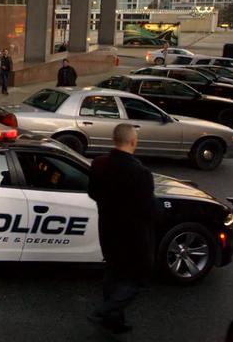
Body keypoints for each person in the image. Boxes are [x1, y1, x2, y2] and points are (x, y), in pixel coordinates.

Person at [86, 123, 156, 334]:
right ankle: (105, 310)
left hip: (107, 229)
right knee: (136, 279)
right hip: (132, 236)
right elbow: (148, 209)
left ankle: (113, 321)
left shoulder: (98, 164)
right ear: (133, 142)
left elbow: (93, 193)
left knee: (114, 272)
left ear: (114, 140)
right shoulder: (141, 173)